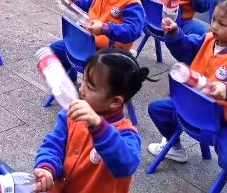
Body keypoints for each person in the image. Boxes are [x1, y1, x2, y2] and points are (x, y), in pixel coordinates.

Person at [148, 0, 227, 192]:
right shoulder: (209, 39)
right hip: (192, 110)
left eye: (222, 23)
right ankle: (175, 147)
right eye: (214, 20)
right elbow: (186, 49)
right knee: (157, 109)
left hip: (224, 123)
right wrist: (175, 34)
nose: (215, 26)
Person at [32, 48, 146, 193]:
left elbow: (125, 165)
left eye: (90, 87)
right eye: (83, 81)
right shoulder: (70, 114)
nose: (81, 89)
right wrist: (47, 168)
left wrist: (98, 125)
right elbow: (54, 144)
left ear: (115, 102)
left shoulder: (127, 134)